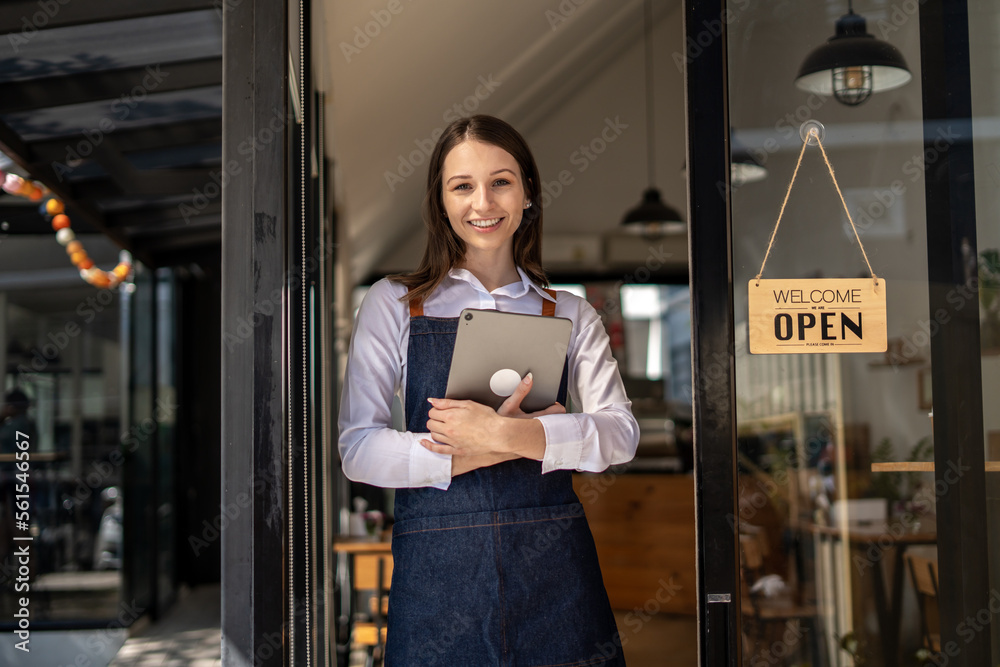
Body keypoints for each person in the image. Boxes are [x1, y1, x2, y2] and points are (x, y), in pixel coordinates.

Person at [339, 114, 639, 665]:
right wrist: (480, 448)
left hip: (555, 572)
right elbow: (358, 450)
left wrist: (506, 433)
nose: (484, 202)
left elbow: (620, 436)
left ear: (528, 194)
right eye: (463, 186)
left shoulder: (570, 312)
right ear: (442, 202)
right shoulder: (395, 303)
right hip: (437, 573)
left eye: (501, 181)